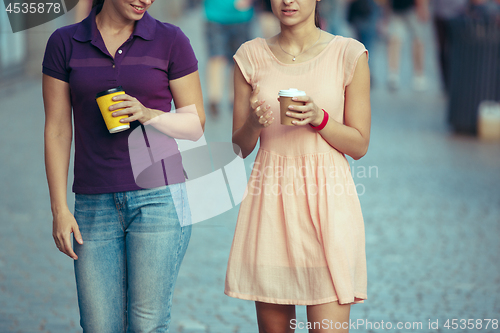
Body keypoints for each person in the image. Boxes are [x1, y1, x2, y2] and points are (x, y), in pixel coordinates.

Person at [42, 0, 205, 331]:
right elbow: (58, 129)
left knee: (147, 324)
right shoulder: (64, 42)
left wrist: (149, 114)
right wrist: (59, 208)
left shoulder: (171, 40)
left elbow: (195, 123)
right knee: (98, 325)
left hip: (160, 198)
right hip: (93, 203)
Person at [225, 0, 371, 331]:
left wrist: (320, 119)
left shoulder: (348, 54)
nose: (288, 1)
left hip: (328, 209)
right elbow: (238, 148)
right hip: (271, 209)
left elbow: (359, 145)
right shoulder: (250, 57)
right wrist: (253, 124)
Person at [204, 0, 254, 117]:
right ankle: (214, 98)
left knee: (238, 60)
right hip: (215, 15)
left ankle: (235, 97)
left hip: (242, 16)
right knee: (216, 58)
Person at [385, 0, 429, 91]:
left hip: (413, 8)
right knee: (394, 40)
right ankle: (393, 75)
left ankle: (419, 74)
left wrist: (422, 6)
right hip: (396, 8)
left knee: (418, 41)